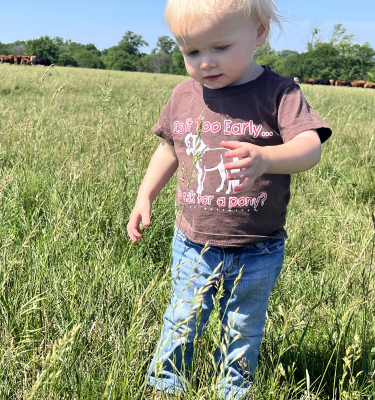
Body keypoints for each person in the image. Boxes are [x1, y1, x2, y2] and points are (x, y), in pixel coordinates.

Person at [126, 0, 332, 398]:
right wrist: (145, 195)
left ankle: (232, 388)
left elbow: (310, 147)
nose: (206, 62)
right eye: (192, 52)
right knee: (183, 317)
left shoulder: (279, 93)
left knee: (243, 324)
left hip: (258, 246)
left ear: (258, 32)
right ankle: (166, 383)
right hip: (192, 242)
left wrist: (267, 157)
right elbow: (170, 149)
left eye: (220, 47)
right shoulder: (185, 95)